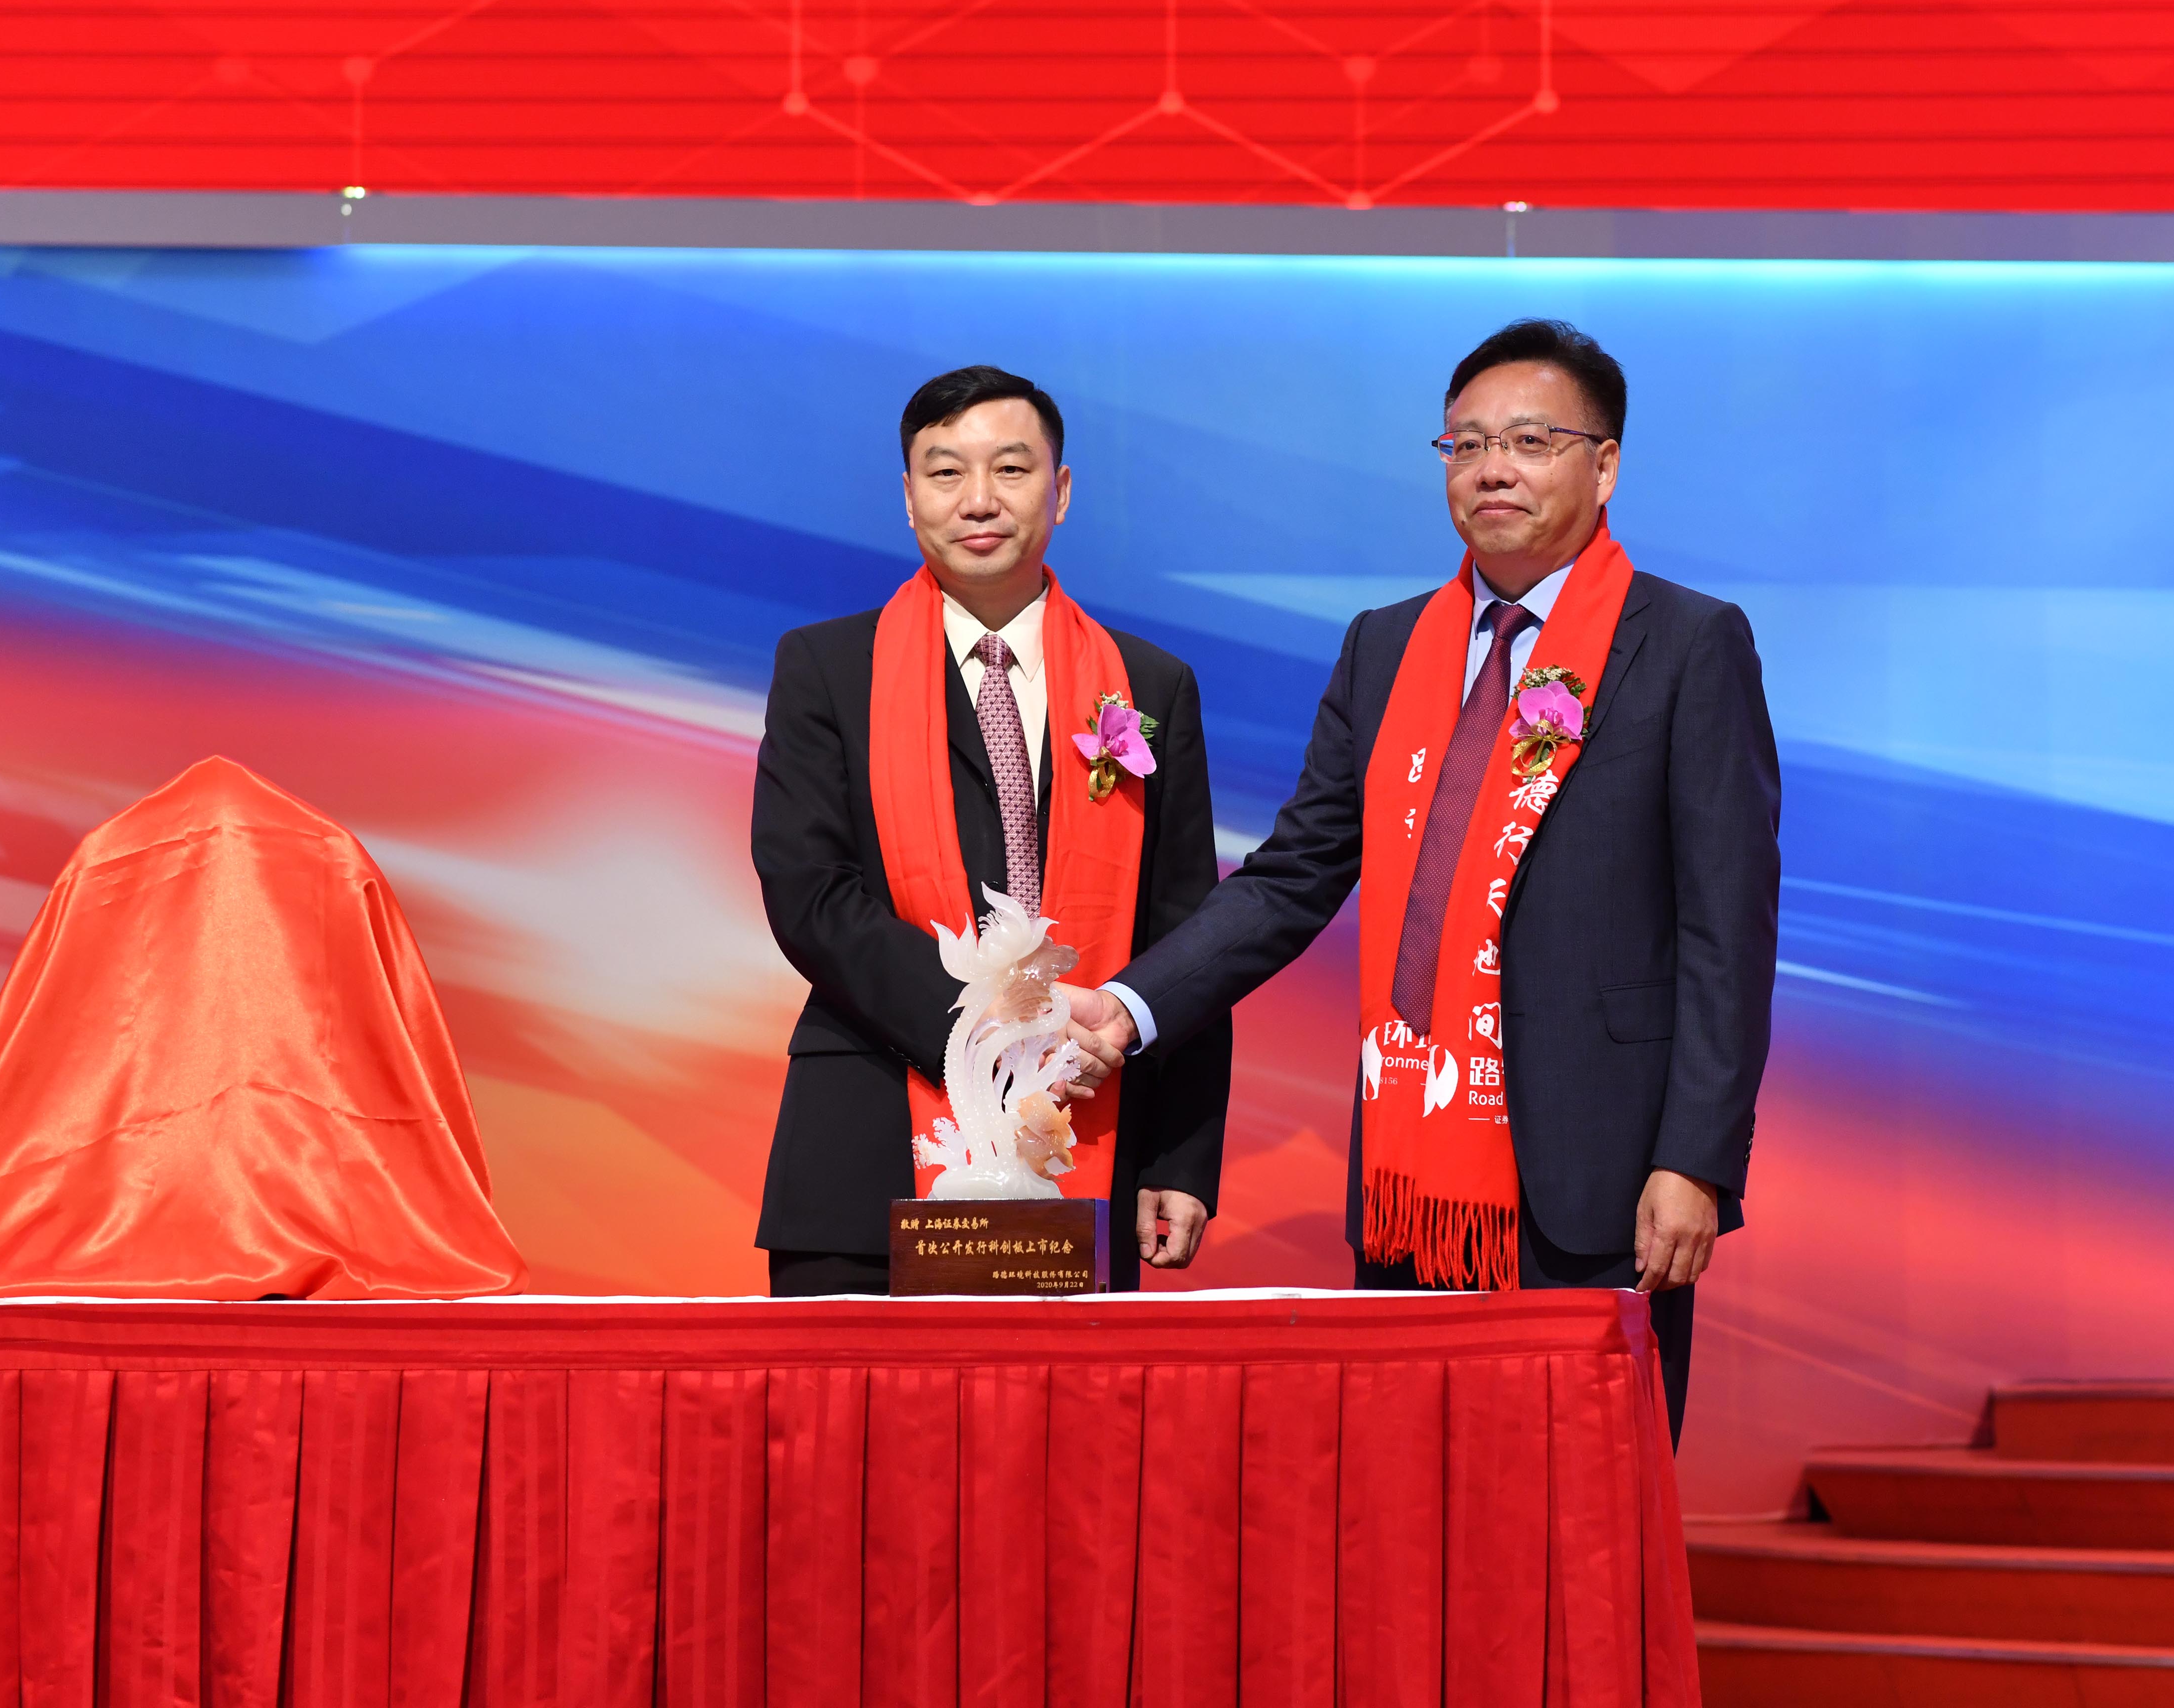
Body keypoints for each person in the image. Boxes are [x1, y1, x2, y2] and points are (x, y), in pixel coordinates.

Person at [1064, 320, 1778, 1437]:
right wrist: (1130, 1003)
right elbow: (1294, 875)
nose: (1493, 469)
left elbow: (1726, 930)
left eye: (1532, 441)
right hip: (1412, 1172)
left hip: (1604, 1177)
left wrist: (1695, 1160)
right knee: (1419, 1492)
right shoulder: (1387, 646)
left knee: (1586, 1498)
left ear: (1604, 467)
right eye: (1466, 444)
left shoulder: (1686, 643)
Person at [751, 365, 1231, 1294]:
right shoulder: (827, 668)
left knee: (1057, 1398)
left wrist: (1180, 1153)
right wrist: (1004, 1029)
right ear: (908, 496)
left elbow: (1188, 935)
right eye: (946, 472)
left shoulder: (1150, 686)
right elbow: (810, 896)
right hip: (866, 1150)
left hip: (1090, 1131)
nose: (979, 499)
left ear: (1061, 490)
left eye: (1011, 469)